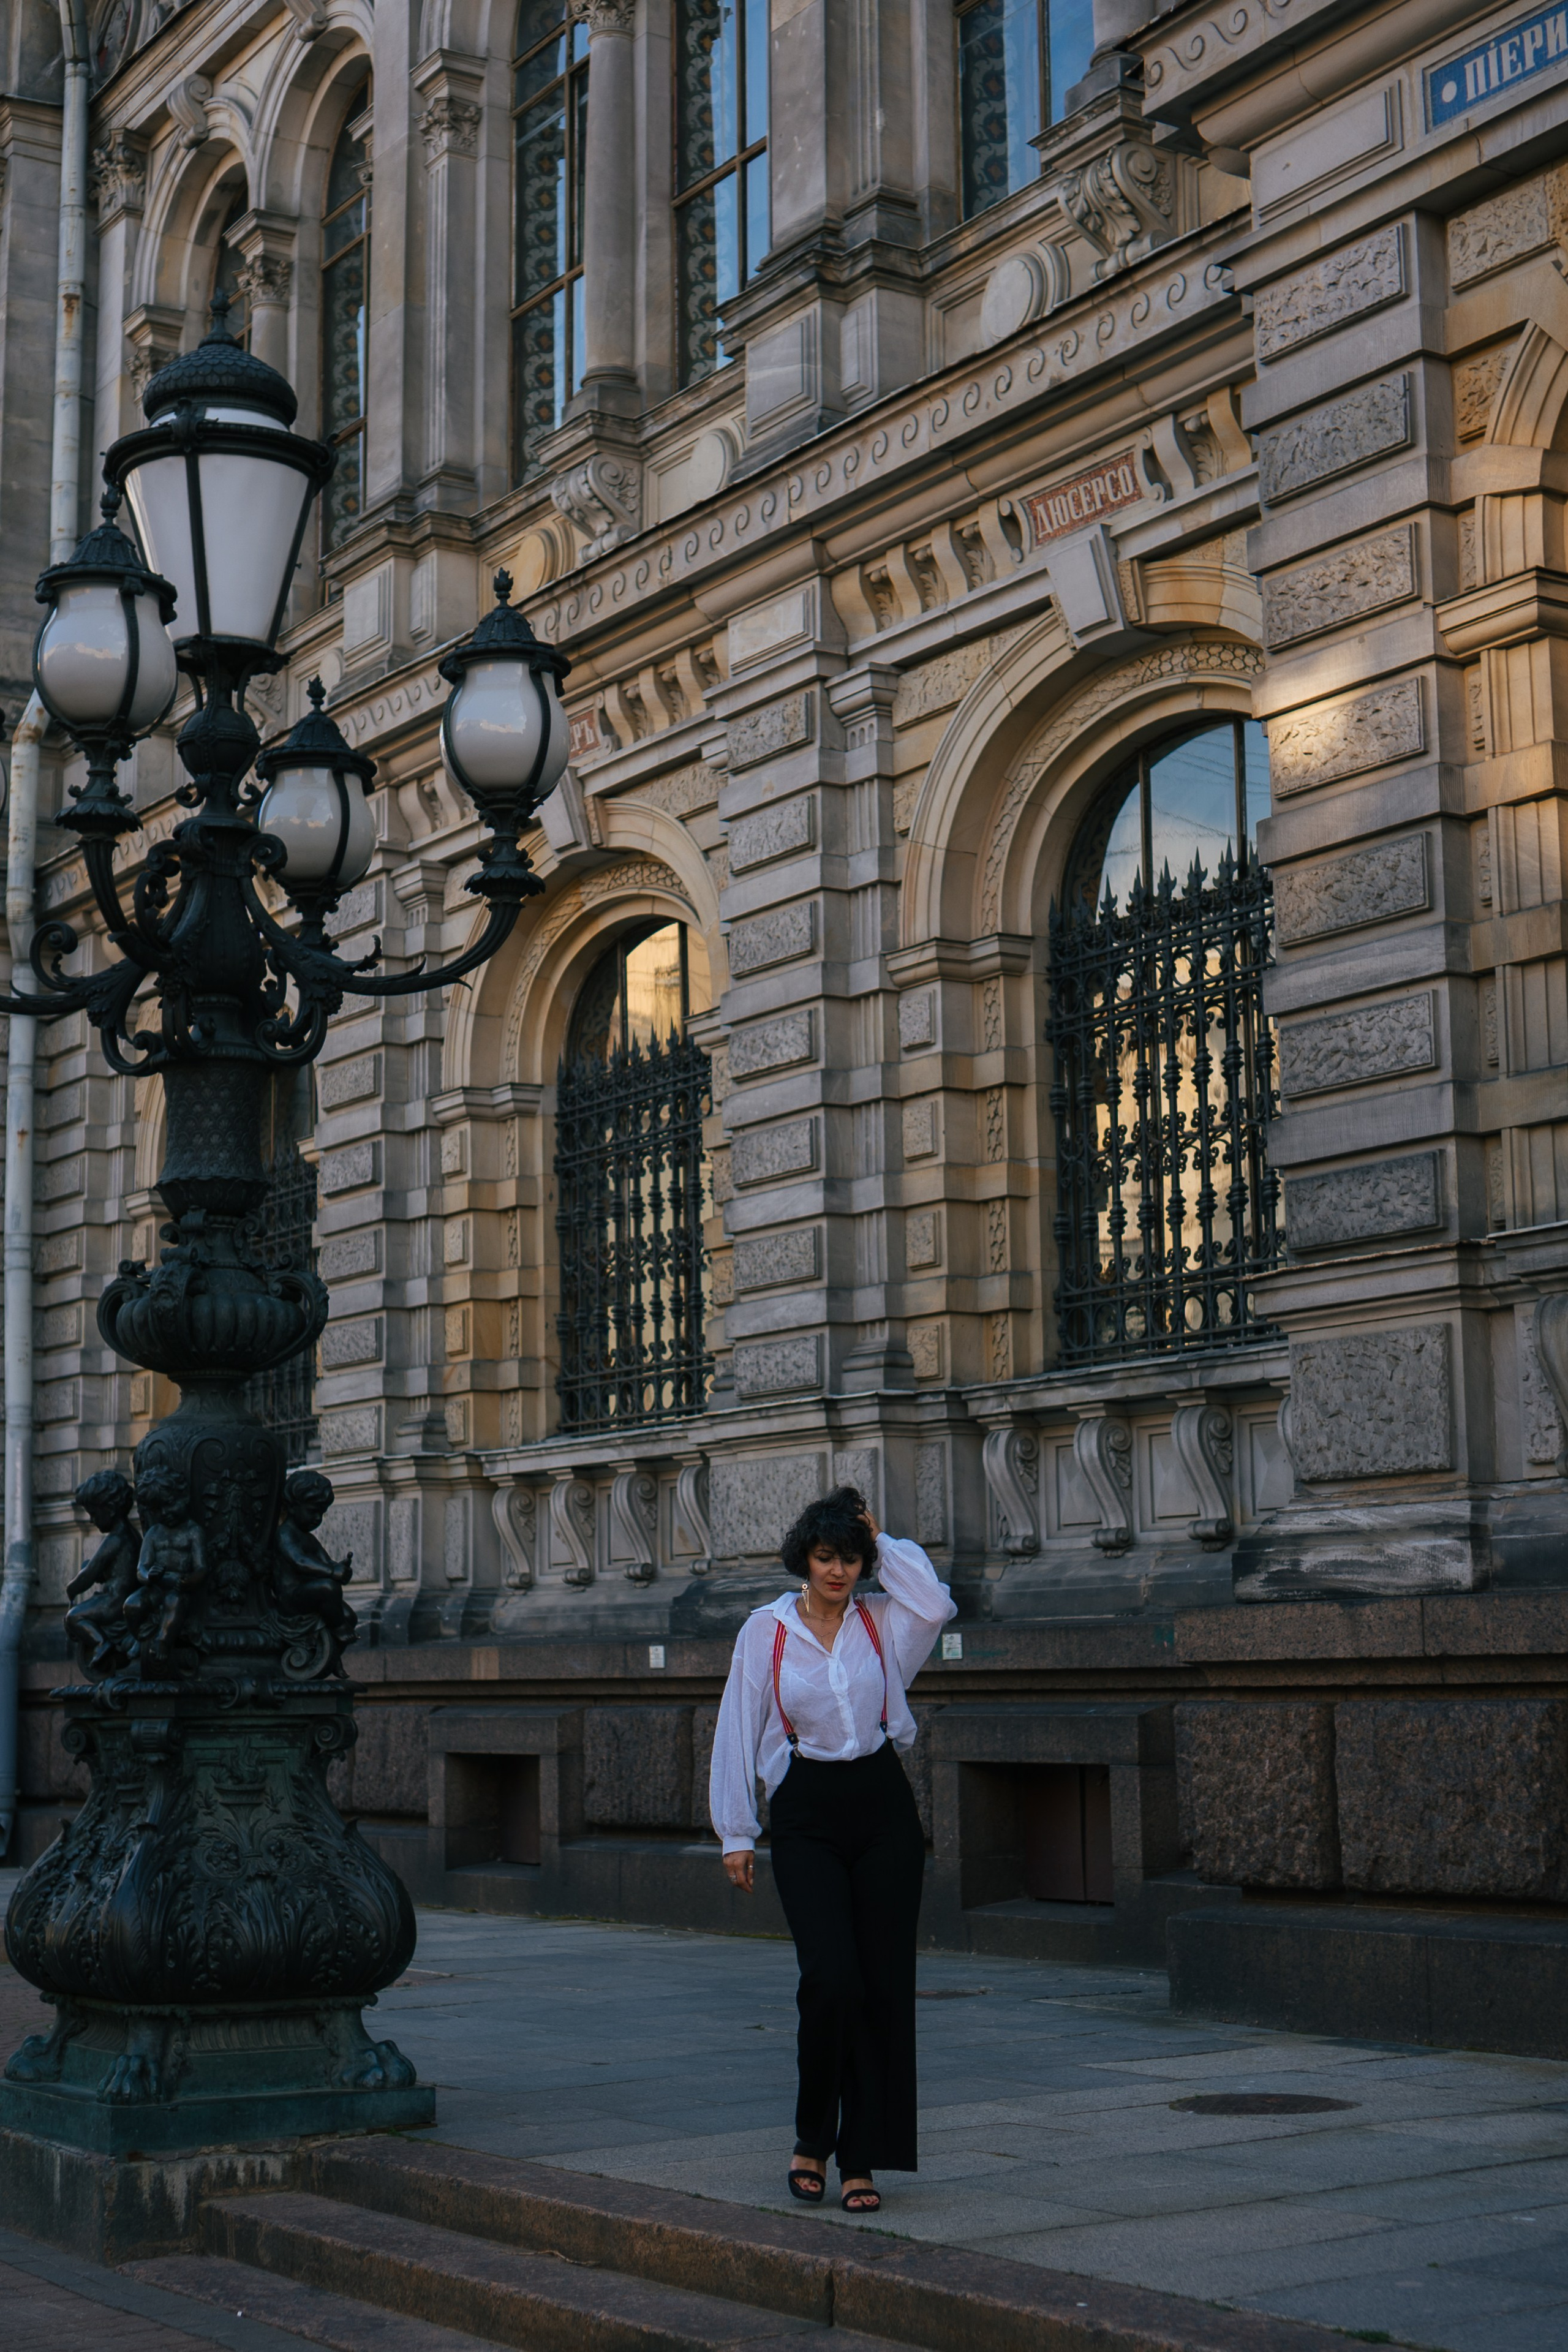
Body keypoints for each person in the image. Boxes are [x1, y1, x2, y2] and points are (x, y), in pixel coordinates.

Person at [709, 1483, 956, 2215]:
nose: (838, 1572)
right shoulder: (767, 1630)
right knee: (831, 1979)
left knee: (881, 1986)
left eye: (850, 1558)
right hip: (806, 1810)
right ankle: (810, 2137)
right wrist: (735, 1831)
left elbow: (936, 1605)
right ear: (804, 1560)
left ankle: (861, 2157)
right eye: (826, 1557)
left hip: (882, 1807)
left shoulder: (884, 1621)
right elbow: (736, 1722)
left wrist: (883, 1540)